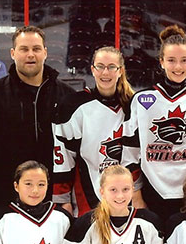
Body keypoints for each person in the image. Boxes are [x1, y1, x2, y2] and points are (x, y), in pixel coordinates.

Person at [121, 25, 186, 221]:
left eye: (184, 60)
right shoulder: (142, 99)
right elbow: (130, 151)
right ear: (161, 62)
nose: (178, 67)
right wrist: (135, 194)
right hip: (151, 192)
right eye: (171, 60)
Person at [0, 26, 76, 208]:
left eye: (36, 49)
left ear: (45, 53)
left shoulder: (67, 97)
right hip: (1, 204)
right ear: (13, 53)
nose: (30, 54)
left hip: (54, 205)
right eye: (24, 49)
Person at [53, 46, 134, 215]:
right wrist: (62, 198)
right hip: (88, 198)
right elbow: (63, 157)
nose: (106, 72)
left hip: (126, 196)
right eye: (100, 66)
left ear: (120, 71)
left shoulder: (133, 106)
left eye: (112, 67)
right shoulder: (73, 105)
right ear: (92, 69)